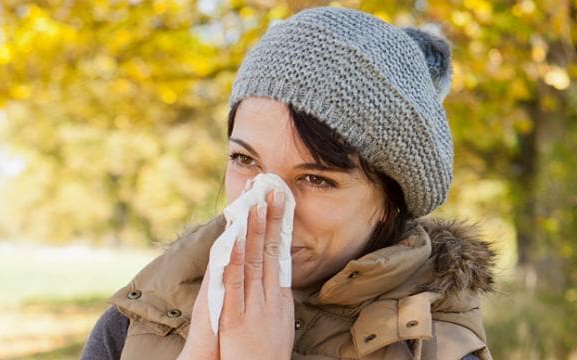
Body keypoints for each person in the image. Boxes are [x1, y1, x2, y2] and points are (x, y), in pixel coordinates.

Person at [81, 6, 495, 360]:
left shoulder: (437, 347)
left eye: (315, 178)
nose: (264, 206)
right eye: (245, 160)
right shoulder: (141, 317)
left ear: (390, 199)